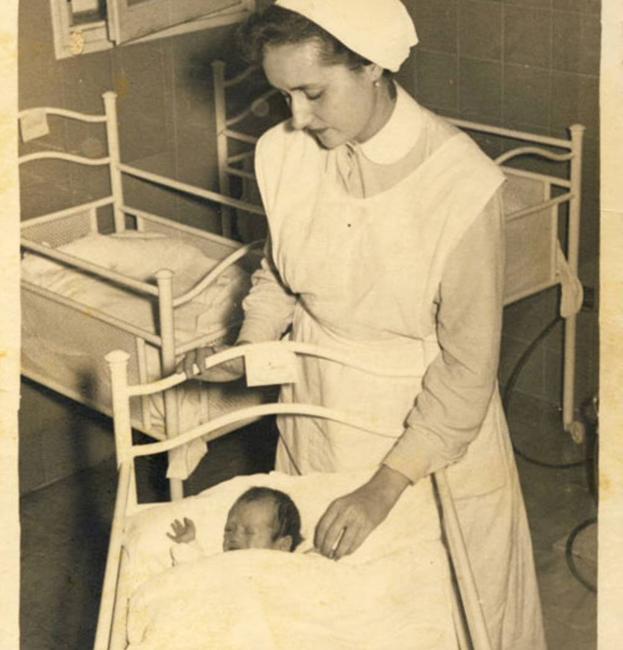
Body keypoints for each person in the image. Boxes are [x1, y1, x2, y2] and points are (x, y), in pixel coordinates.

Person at [184, 1, 546, 647]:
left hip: (425, 432)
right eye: (283, 95)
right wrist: (246, 349)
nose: (296, 116)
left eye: (312, 92)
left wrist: (384, 487)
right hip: (316, 406)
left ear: (372, 64)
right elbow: (279, 275)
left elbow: (467, 364)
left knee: (429, 611)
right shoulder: (284, 152)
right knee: (325, 611)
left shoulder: (459, 183)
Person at [167, 486, 303, 560]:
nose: (234, 537)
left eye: (249, 532)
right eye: (229, 530)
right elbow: (196, 572)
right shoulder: (222, 564)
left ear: (282, 545)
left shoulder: (289, 569)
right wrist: (188, 544)